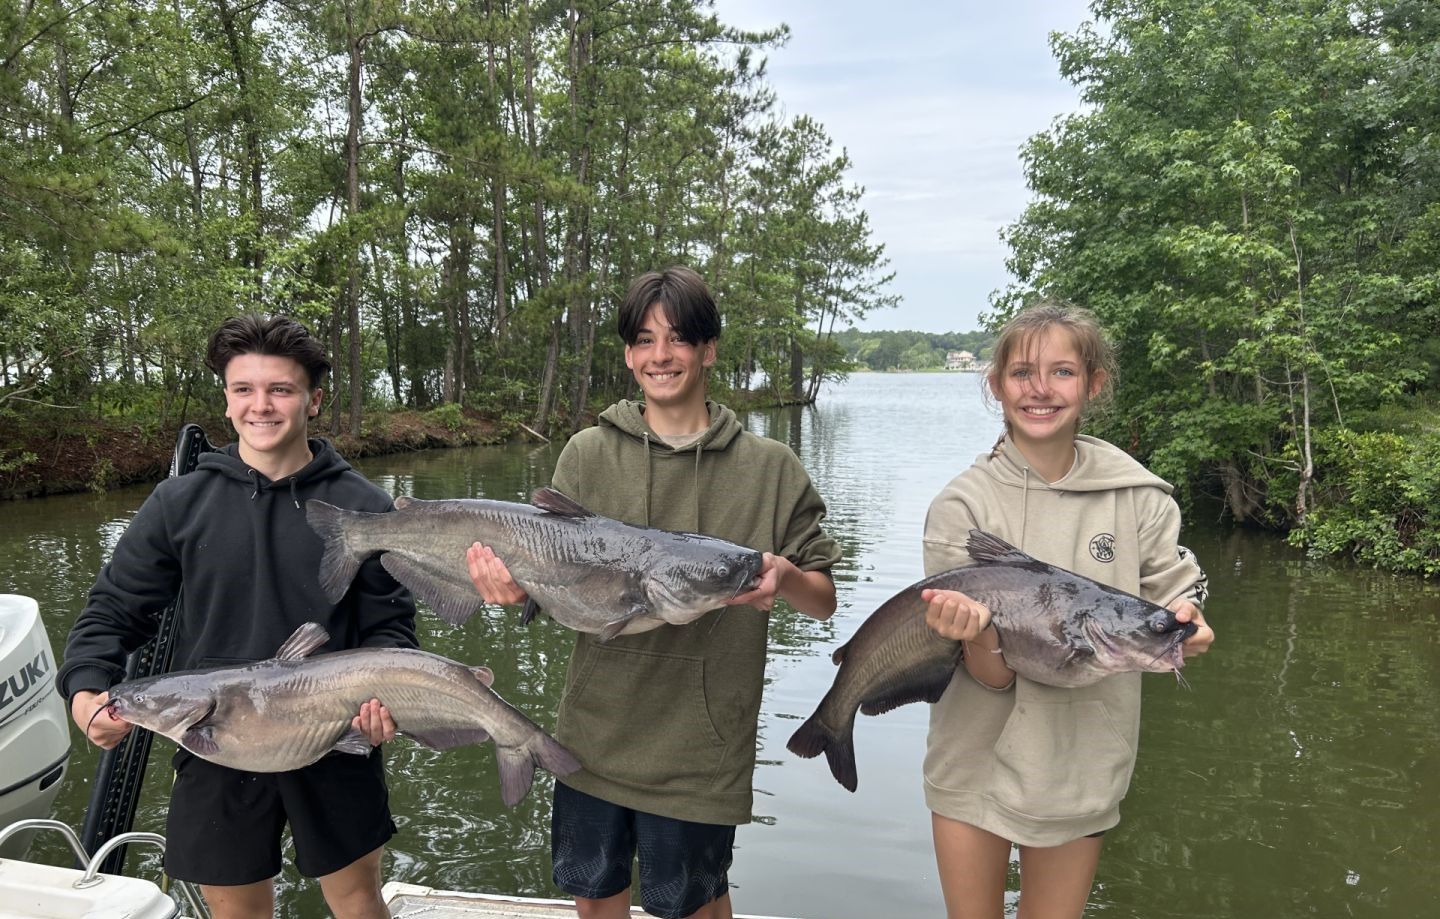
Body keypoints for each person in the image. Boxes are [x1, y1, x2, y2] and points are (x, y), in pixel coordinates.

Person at [467, 266, 841, 919]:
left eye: (678, 339)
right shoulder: (586, 454)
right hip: (593, 734)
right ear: (627, 355)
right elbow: (555, 590)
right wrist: (513, 592)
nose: (660, 355)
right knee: (595, 899)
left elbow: (825, 599)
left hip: (702, 750)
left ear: (709, 349)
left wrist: (786, 580)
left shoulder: (770, 468)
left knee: (696, 904)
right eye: (644, 340)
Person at [57, 314, 417, 919]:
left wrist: (387, 704)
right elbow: (115, 608)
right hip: (212, 732)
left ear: (314, 400)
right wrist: (86, 686)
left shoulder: (364, 506)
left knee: (358, 901)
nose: (261, 405)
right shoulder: (180, 501)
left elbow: (390, 628)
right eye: (243, 389)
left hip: (332, 731)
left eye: (280, 389)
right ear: (226, 400)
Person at [919, 300, 1215, 919]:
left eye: (1062, 372)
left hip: (1084, 761)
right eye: (1022, 373)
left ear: (1093, 383)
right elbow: (988, 675)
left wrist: (1188, 619)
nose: (1041, 389)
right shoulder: (961, 507)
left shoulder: (1140, 498)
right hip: (974, 757)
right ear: (995, 384)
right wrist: (977, 637)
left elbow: (1175, 591)